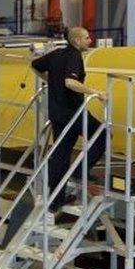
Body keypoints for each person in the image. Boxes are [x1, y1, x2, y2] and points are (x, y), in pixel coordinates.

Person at [31, 26, 107, 214]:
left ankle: (56, 199)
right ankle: (80, 171)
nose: (90, 41)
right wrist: (96, 93)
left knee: (61, 154)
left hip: (57, 113)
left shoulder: (56, 54)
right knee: (102, 135)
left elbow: (35, 65)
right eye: (87, 38)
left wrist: (49, 80)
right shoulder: (74, 56)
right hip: (73, 112)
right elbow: (70, 82)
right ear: (76, 41)